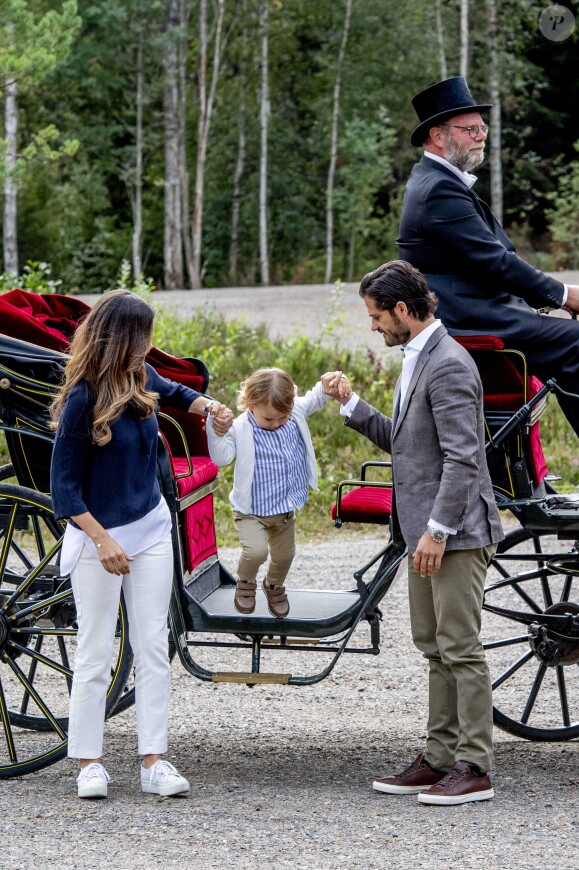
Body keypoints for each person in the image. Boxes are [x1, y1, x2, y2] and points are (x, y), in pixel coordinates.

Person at [322, 260, 504, 806]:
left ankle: (475, 766)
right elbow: (407, 445)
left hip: (455, 534)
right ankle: (439, 757)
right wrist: (352, 405)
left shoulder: (448, 364)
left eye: (377, 315)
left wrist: (438, 531)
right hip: (427, 532)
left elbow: (463, 459)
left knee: (460, 647)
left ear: (403, 309)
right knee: (433, 646)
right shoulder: (418, 358)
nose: (373, 325)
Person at [50, 289, 232, 800]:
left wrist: (212, 408)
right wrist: (101, 540)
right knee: (94, 650)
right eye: (144, 336)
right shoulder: (82, 398)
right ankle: (89, 763)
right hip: (98, 538)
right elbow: (63, 487)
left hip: (151, 529)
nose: (149, 345)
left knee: (152, 645)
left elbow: (178, 392)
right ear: (122, 337)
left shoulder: (141, 376)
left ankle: (154, 760)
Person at [397, 75, 579, 438]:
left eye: (482, 127)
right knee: (577, 344)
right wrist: (564, 295)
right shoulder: (438, 190)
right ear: (438, 136)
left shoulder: (437, 181)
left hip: (479, 313)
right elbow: (496, 262)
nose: (481, 136)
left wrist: (550, 297)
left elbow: (492, 261)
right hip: (471, 321)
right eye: (470, 129)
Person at [206, 367, 342, 618]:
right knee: (255, 552)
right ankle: (245, 582)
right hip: (251, 511)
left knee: (285, 556)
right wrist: (215, 431)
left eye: (283, 417)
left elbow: (314, 399)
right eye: (269, 419)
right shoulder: (240, 427)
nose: (277, 423)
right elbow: (222, 457)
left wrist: (328, 386)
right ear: (250, 405)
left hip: (283, 510)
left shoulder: (295, 412)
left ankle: (273, 585)